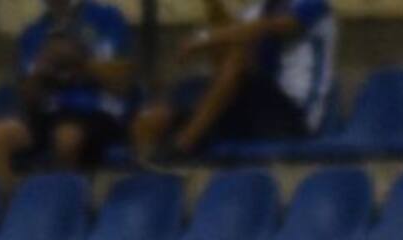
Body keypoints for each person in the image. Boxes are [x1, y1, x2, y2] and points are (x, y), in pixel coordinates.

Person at [133, 0, 337, 161]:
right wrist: (213, 6)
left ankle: (183, 146)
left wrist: (206, 37)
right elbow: (224, 64)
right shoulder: (257, 10)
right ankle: (148, 175)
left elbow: (270, 27)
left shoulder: (313, 5)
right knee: (169, 104)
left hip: (296, 116)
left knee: (237, 58)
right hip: (259, 112)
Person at [0, 0, 133, 198]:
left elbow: (121, 84)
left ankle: (63, 205)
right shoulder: (33, 32)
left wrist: (79, 60)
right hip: (50, 112)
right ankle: (7, 207)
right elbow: (28, 98)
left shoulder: (106, 18)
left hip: (96, 111)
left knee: (66, 138)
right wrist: (41, 70)